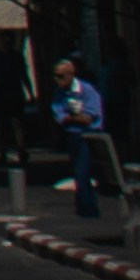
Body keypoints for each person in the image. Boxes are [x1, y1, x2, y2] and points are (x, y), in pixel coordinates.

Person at [48, 58, 111, 218]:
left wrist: (71, 118)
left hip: (88, 135)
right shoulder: (59, 93)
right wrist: (74, 118)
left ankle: (87, 209)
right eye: (55, 76)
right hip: (71, 135)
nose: (57, 80)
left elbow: (89, 118)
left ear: (71, 75)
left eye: (61, 76)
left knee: (81, 171)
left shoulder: (87, 90)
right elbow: (59, 116)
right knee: (80, 172)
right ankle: (86, 206)